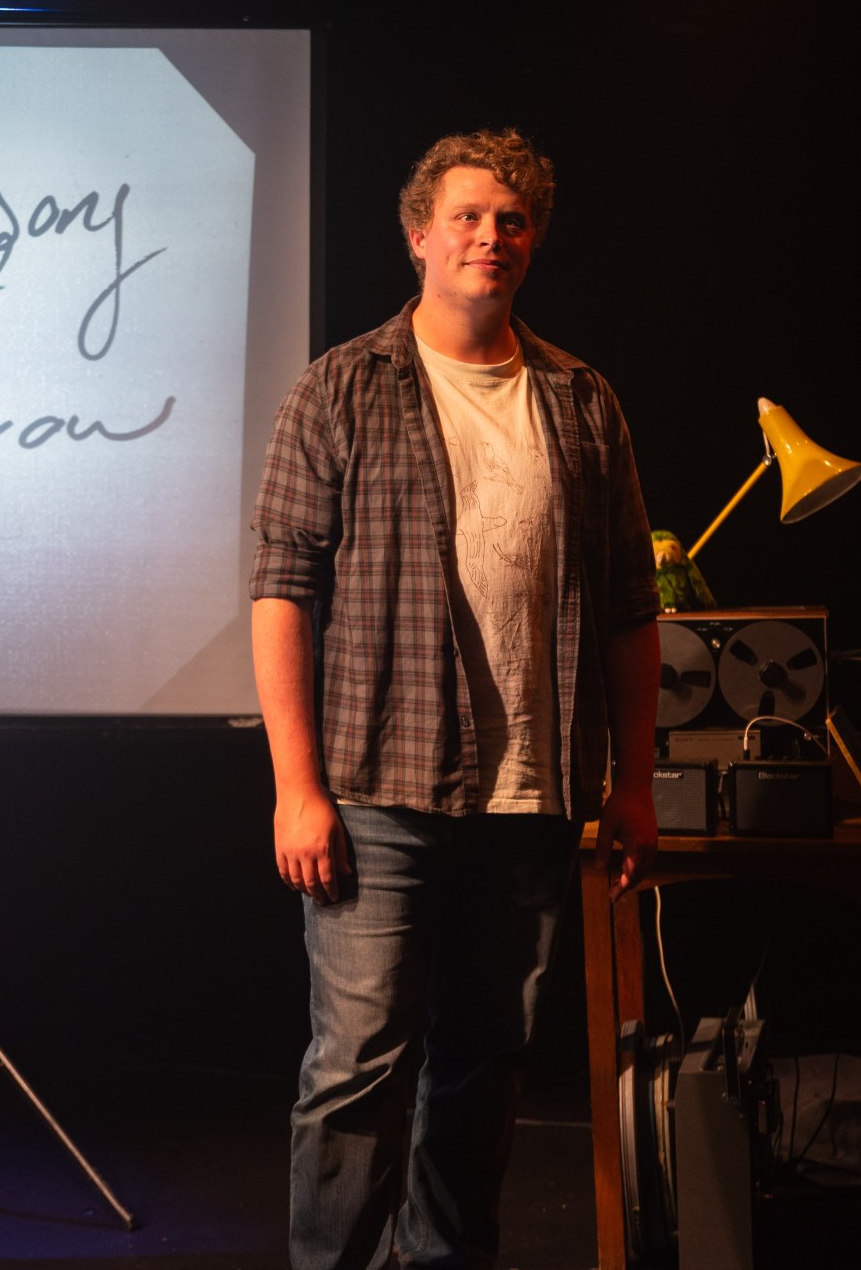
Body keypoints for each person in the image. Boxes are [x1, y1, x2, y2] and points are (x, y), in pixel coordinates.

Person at [249, 127, 662, 1269]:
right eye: (468, 217)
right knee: (355, 1071)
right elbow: (281, 592)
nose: (491, 236)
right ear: (419, 236)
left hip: (531, 797)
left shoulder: (580, 400)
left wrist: (633, 782)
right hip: (376, 789)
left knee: (486, 1065)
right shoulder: (340, 386)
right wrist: (295, 788)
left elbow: (632, 606)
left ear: (533, 242)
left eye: (512, 220)